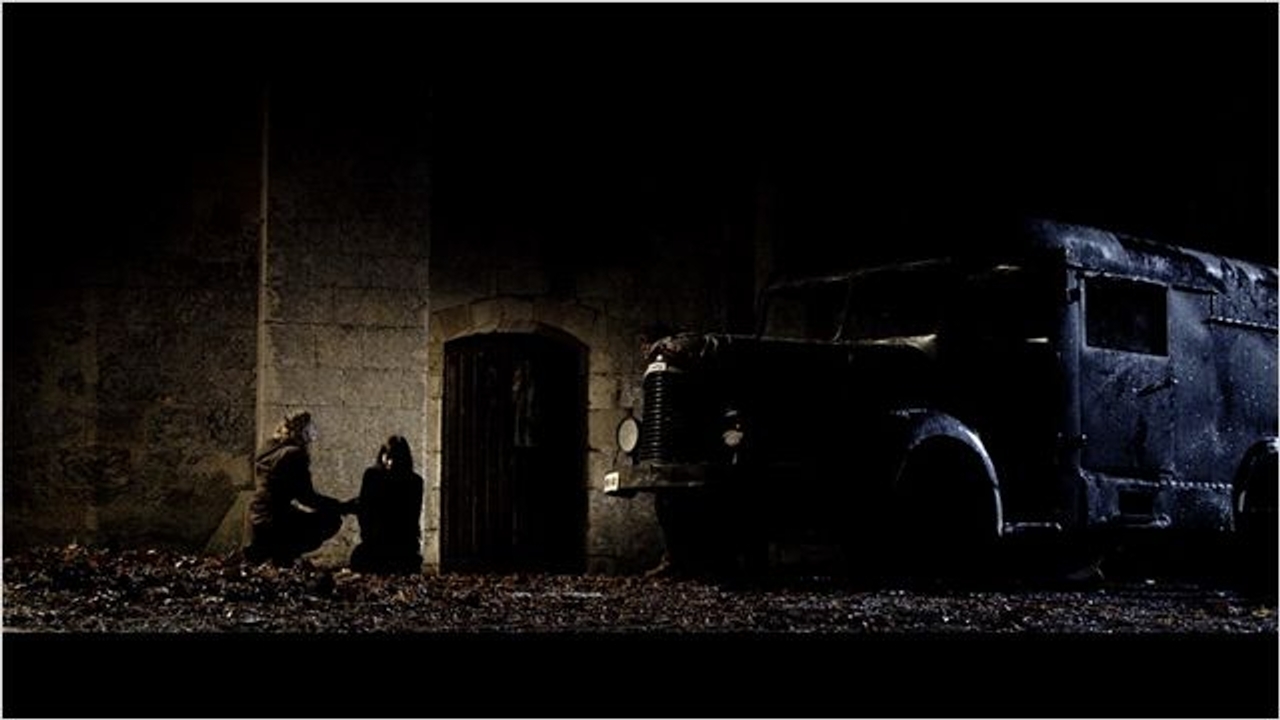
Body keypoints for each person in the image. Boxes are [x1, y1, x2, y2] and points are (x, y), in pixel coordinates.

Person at [243, 410, 348, 567]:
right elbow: (307, 497)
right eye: (310, 427)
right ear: (302, 430)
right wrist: (339, 506)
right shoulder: (294, 454)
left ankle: (280, 555)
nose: (314, 431)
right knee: (331, 520)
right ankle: (283, 553)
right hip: (274, 522)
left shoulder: (268, 449)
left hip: (255, 517)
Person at [345, 435, 425, 574]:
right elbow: (365, 511)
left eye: (396, 457)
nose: (391, 462)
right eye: (388, 456)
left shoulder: (414, 482)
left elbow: (410, 520)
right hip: (379, 544)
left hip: (399, 546)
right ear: (382, 455)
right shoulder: (373, 476)